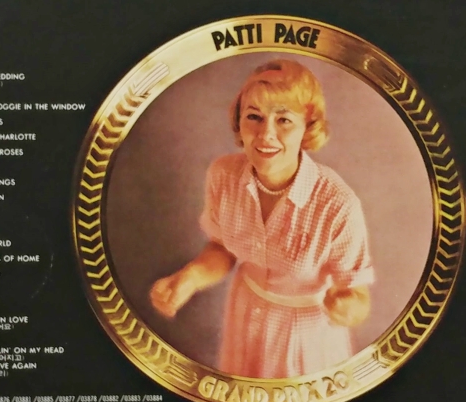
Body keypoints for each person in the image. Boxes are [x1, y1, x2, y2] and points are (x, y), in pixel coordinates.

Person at [149, 59, 374, 379]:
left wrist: (348, 307)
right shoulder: (223, 175)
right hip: (246, 316)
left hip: (307, 335)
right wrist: (190, 278)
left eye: (284, 120)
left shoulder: (337, 203)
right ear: (239, 122)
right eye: (254, 117)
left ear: (307, 127)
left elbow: (357, 295)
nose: (266, 134)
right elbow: (223, 248)